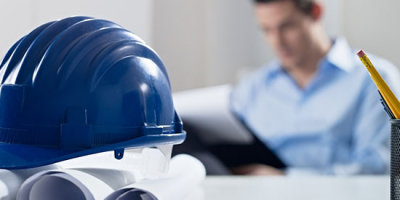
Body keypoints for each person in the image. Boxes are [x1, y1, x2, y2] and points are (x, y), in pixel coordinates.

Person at [230, 0, 400, 175]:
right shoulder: (253, 86)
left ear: (316, 12)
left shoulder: (374, 79)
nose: (277, 41)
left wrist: (284, 179)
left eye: (287, 26)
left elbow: (379, 166)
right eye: (266, 30)